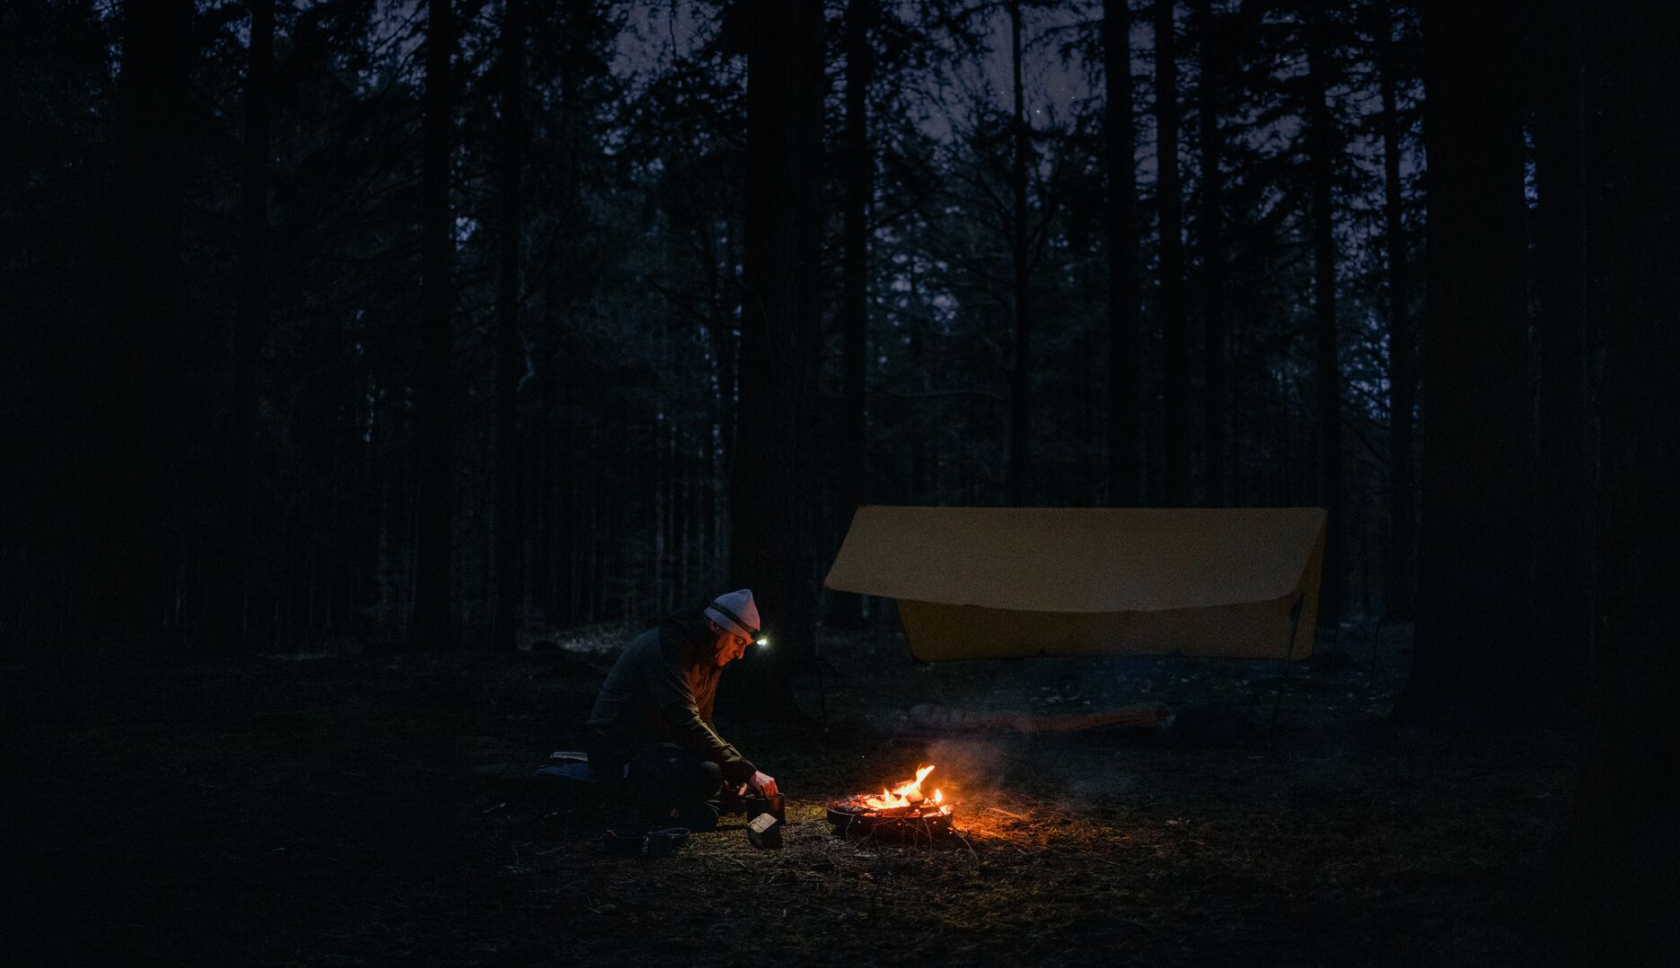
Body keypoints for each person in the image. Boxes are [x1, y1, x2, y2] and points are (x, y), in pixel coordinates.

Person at [585, 589, 779, 830]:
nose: (740, 654)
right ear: (715, 626)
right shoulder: (669, 646)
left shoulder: (710, 655)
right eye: (738, 642)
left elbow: (703, 721)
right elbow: (685, 722)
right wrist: (744, 771)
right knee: (708, 774)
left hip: (660, 745)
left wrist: (734, 772)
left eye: (745, 646)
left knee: (722, 780)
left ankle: (691, 807)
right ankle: (650, 804)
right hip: (618, 747)